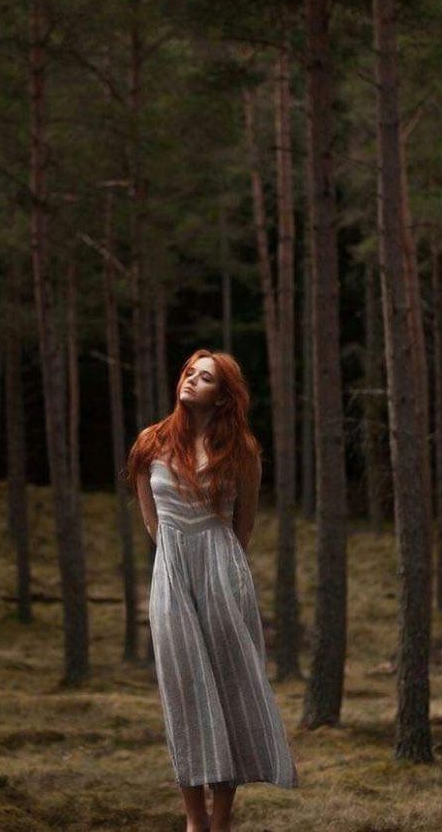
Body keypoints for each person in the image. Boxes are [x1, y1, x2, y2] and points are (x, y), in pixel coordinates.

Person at [126, 349, 299, 832]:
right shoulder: (151, 443)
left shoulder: (241, 451)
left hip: (224, 575)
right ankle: (194, 820)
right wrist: (177, 566)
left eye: (205, 378)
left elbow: (243, 528)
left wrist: (219, 570)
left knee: (227, 690)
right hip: (173, 575)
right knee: (184, 693)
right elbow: (150, 518)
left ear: (223, 396)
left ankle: (221, 822)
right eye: (188, 372)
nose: (191, 381)